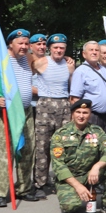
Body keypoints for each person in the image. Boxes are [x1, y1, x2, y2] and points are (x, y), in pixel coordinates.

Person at [0, 28, 40, 206]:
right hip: (6, 113)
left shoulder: (28, 58)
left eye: (26, 43)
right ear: (10, 43)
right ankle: (0, 194)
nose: (24, 46)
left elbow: (46, 63)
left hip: (25, 112)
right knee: (3, 153)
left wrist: (66, 59)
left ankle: (24, 188)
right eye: (21, 43)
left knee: (27, 150)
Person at [50, 99, 106, 213]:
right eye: (78, 112)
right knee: (70, 207)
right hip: (70, 178)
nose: (81, 116)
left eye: (85, 112)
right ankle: (76, 195)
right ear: (72, 113)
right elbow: (59, 165)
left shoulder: (97, 131)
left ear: (90, 114)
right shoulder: (60, 135)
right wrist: (78, 186)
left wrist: (96, 166)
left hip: (90, 175)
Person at [31, 33, 75, 197]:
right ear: (49, 48)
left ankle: (62, 180)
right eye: (55, 47)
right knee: (42, 145)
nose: (59, 50)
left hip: (64, 104)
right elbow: (24, 74)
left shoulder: (70, 64)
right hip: (45, 105)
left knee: (63, 146)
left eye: (62, 48)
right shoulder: (41, 62)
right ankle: (39, 184)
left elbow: (72, 86)